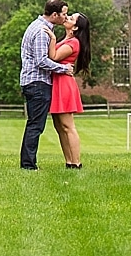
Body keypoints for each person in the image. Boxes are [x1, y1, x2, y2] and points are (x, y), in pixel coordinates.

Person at [19, 0, 73, 170]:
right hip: (37, 83)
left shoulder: (38, 26)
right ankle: (28, 165)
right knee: (36, 125)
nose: (65, 17)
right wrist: (63, 69)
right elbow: (41, 61)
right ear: (55, 14)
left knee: (34, 124)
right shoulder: (42, 32)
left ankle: (28, 162)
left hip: (32, 82)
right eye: (63, 14)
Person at [48, 12, 91, 169]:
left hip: (63, 85)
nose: (67, 18)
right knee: (59, 127)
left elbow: (53, 56)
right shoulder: (66, 40)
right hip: (56, 83)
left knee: (68, 126)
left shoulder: (73, 43)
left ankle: (76, 162)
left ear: (75, 27)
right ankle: (69, 161)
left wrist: (52, 39)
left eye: (71, 18)